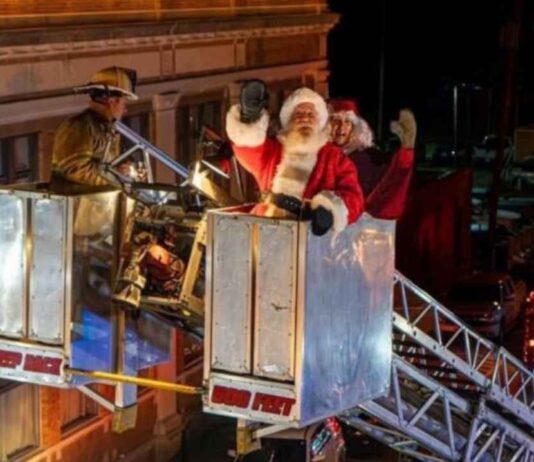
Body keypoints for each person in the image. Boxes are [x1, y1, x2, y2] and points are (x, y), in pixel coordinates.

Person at [225, 81, 364, 236]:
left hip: (310, 237)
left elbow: (354, 197)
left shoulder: (334, 158)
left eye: (310, 115)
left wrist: (329, 211)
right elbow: (249, 150)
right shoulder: (274, 150)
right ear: (289, 121)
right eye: (299, 114)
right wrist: (249, 119)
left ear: (319, 121)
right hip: (268, 230)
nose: (305, 119)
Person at [329, 98, 416, 219]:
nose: (341, 127)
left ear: (355, 127)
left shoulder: (367, 157)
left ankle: (406, 152)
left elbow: (387, 186)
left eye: (347, 122)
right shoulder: (321, 155)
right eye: (336, 121)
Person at [51, 66, 138, 186]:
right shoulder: (79, 127)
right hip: (82, 203)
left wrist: (126, 167)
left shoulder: (108, 129)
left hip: (103, 201)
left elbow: (112, 161)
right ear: (112, 101)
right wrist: (115, 175)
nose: (125, 111)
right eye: (124, 104)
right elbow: (75, 169)